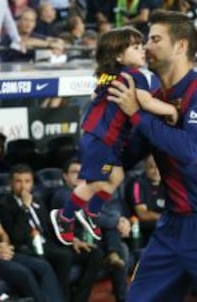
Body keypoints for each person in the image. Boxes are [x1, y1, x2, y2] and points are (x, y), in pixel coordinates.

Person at [107, 9, 197, 301]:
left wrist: (137, 114)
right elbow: (123, 158)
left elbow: (189, 150)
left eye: (155, 39)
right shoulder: (152, 100)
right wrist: (109, 125)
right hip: (171, 227)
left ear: (181, 46)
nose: (146, 47)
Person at [50, 26, 178, 246]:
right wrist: (172, 110)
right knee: (95, 183)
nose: (142, 51)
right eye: (135, 47)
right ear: (119, 55)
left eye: (141, 46)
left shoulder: (110, 75)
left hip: (103, 139)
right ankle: (65, 217)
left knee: (116, 178)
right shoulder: (135, 75)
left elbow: (95, 92)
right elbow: (146, 102)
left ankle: (90, 212)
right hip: (102, 140)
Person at [0, 164, 104, 302]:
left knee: (95, 254)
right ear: (11, 183)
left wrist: (72, 240)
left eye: (27, 181)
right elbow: (16, 236)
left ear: (32, 183)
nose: (23, 186)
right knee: (64, 257)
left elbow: (51, 226)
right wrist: (24, 208)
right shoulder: (4, 204)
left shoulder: (37, 200)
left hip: (50, 243)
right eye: (18, 181)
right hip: (29, 248)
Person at [0, 167, 62, 302]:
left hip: (1, 251)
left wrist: (4, 244)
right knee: (23, 272)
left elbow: (0, 231)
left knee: (43, 266)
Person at [51, 158, 130, 302]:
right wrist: (117, 221)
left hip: (92, 235)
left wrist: (121, 220)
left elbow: (103, 213)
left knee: (121, 247)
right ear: (65, 176)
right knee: (114, 237)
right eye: (75, 172)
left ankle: (122, 297)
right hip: (75, 239)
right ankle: (112, 253)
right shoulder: (63, 194)